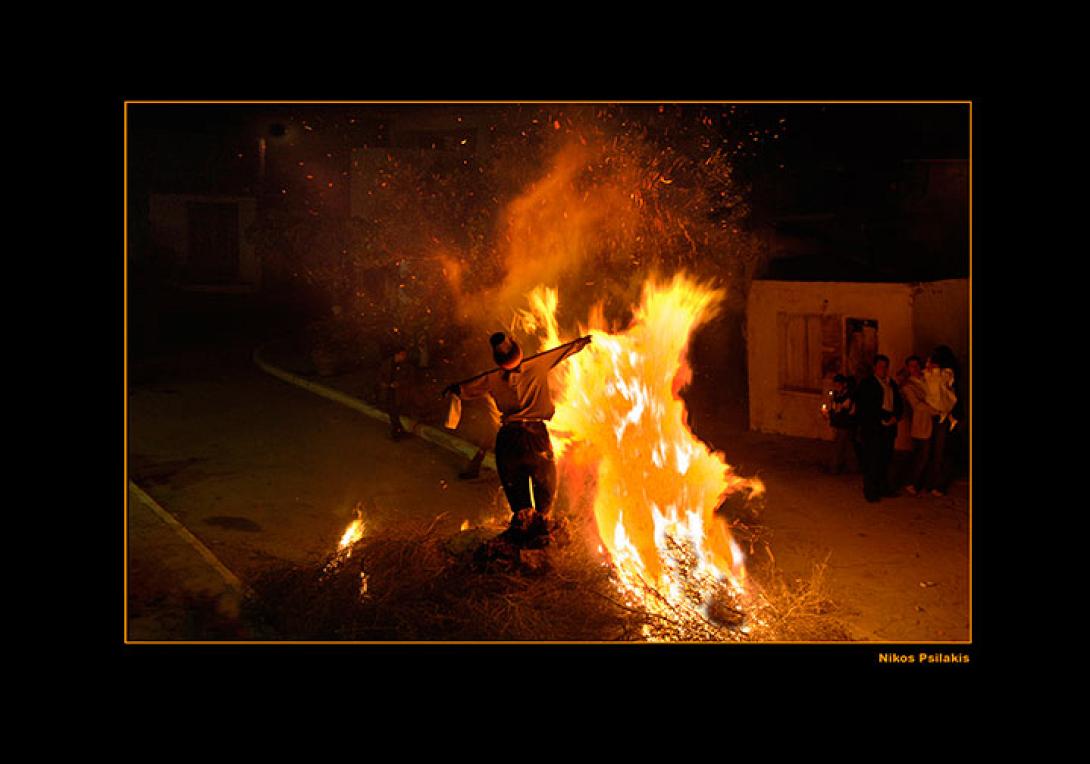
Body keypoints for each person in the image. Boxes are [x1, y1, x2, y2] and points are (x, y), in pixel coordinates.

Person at [444, 331, 591, 544]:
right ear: (518, 352)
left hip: (508, 440)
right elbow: (563, 351)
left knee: (518, 496)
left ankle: (524, 536)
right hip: (535, 437)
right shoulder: (537, 364)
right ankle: (540, 536)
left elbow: (464, 388)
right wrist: (582, 342)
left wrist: (454, 390)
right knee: (545, 488)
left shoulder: (491, 377)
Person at [855, 354, 903, 502]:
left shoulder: (891, 384)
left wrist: (895, 417)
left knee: (885, 459)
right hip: (874, 428)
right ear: (875, 367)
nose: (883, 369)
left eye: (885, 366)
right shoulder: (867, 383)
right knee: (872, 460)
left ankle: (884, 488)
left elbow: (899, 403)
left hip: (889, 428)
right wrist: (882, 418)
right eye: (881, 366)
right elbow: (866, 406)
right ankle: (870, 491)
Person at [899, 355, 940, 496]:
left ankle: (930, 484)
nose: (915, 368)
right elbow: (917, 405)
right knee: (923, 455)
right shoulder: (908, 386)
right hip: (922, 423)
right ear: (908, 368)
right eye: (912, 366)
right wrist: (936, 409)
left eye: (917, 365)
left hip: (935, 421)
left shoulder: (927, 378)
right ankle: (913, 483)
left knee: (933, 454)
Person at [923, 346, 959, 497]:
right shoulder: (931, 373)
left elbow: (943, 388)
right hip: (934, 413)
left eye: (933, 359)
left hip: (944, 415)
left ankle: (939, 485)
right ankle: (932, 483)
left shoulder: (947, 373)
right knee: (931, 451)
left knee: (941, 452)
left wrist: (933, 370)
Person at [824, 374, 859, 474]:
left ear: (844, 385)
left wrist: (835, 410)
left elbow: (844, 409)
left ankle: (834, 468)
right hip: (838, 424)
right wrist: (828, 413)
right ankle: (853, 467)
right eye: (835, 385)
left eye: (838, 385)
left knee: (839, 447)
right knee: (847, 447)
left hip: (845, 425)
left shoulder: (849, 396)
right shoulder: (836, 394)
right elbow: (834, 408)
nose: (836, 388)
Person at [378, 345, 412, 441]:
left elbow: (409, 379)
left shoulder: (405, 366)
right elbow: (380, 376)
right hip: (388, 393)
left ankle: (397, 432)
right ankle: (397, 432)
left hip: (398, 394)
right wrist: (384, 384)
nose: (404, 357)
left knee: (394, 413)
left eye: (405, 355)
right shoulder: (387, 364)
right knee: (392, 413)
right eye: (402, 355)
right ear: (396, 354)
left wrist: (399, 384)